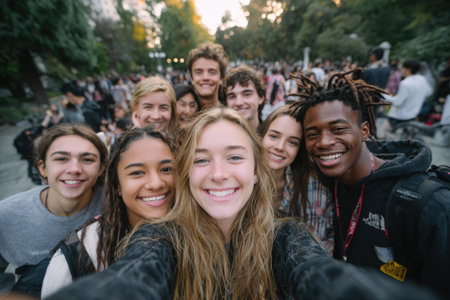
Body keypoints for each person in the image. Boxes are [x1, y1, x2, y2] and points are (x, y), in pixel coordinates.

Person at [45, 108, 439, 300]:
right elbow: (134, 278)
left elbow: (317, 272)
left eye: (234, 157)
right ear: (186, 173)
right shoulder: (159, 237)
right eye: (201, 159)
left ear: (256, 171)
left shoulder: (285, 235)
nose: (218, 173)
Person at [291, 68, 450, 297]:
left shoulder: (429, 206)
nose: (324, 142)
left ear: (364, 130)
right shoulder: (325, 181)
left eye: (338, 129)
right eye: (312, 134)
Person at [41, 126, 176, 298]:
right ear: (117, 186)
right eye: (137, 172)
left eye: (166, 169)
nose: (156, 183)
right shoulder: (77, 257)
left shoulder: (204, 233)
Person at [0, 124, 107, 294]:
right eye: (61, 159)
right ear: (42, 168)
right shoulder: (6, 215)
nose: (74, 169)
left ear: (101, 168)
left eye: (87, 159)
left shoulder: (116, 203)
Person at [260, 105, 333, 252]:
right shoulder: (239, 180)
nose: (280, 147)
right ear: (261, 136)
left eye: (292, 142)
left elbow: (319, 250)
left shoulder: (313, 190)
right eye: (274, 136)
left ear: (300, 149)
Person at [383, 59, 433, 129]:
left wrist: (384, 94)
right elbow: (429, 93)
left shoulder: (405, 83)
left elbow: (398, 102)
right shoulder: (422, 80)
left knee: (383, 134)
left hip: (398, 116)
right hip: (413, 115)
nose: (401, 70)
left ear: (408, 69)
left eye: (402, 68)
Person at [186, 42, 228, 109]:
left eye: (212, 72)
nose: (205, 77)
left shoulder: (232, 116)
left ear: (222, 78)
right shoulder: (183, 116)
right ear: (191, 79)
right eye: (199, 72)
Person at [224, 65, 266, 132]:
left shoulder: (271, 138)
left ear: (260, 98)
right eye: (232, 97)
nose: (238, 103)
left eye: (247, 95)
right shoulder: (220, 138)